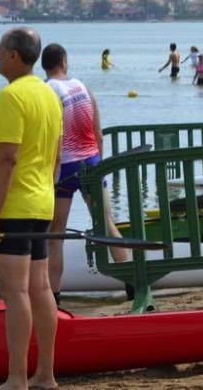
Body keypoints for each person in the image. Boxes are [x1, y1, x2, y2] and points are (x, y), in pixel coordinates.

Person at [0, 27, 62, 390]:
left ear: (14, 55)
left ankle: (17, 378)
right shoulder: (48, 94)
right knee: (41, 289)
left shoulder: (11, 97)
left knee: (15, 293)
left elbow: (7, 160)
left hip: (14, 206)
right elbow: (57, 158)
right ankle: (45, 373)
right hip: (42, 201)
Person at [40, 43, 129, 303]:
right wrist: (99, 167)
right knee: (107, 225)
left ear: (44, 67)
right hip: (91, 162)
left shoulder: (46, 91)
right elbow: (99, 135)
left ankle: (54, 297)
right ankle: (132, 283)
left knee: (56, 234)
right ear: (64, 62)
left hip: (64, 167)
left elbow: (51, 137)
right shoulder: (84, 88)